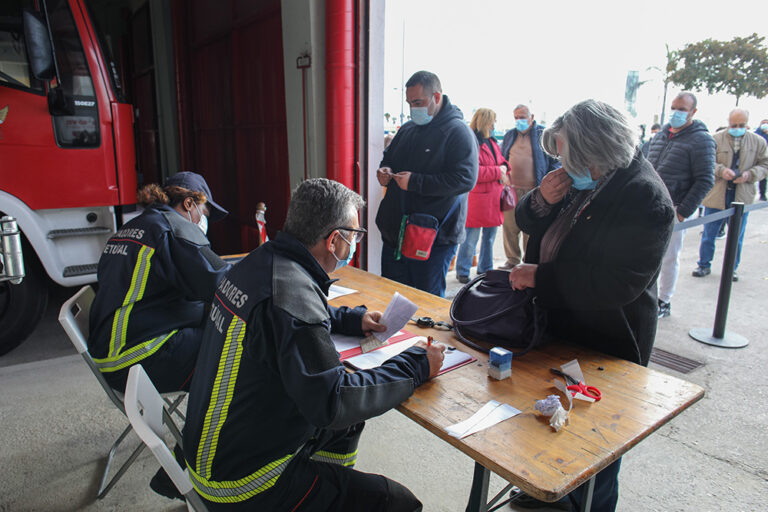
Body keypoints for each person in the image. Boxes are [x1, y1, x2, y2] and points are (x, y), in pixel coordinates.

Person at [183, 178, 446, 511]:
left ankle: (326, 488)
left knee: (347, 425)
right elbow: (334, 400)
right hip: (243, 484)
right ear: (334, 241)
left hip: (213, 451)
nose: (353, 244)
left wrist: (352, 319)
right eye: (353, 237)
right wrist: (418, 365)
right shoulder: (291, 295)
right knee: (396, 502)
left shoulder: (259, 263)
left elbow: (282, 314)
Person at [509, 99, 675, 512]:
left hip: (607, 339)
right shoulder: (582, 178)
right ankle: (542, 492)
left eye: (567, 154)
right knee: (547, 420)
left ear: (596, 153)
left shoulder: (644, 197)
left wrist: (541, 278)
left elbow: (617, 284)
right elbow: (529, 223)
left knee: (595, 445)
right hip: (560, 326)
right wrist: (541, 200)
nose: (561, 163)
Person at [88, 171, 229, 393]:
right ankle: (217, 426)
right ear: (189, 203)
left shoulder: (133, 228)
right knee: (239, 348)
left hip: (113, 355)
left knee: (216, 329)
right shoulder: (172, 228)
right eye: (204, 213)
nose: (204, 221)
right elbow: (221, 283)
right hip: (139, 359)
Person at [375, 70, 478, 297]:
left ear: (437, 97)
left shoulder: (458, 132)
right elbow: (388, 159)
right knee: (389, 300)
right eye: (410, 103)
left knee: (424, 305)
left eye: (418, 102)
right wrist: (385, 171)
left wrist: (416, 182)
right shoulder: (408, 129)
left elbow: (465, 179)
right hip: (395, 234)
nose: (413, 108)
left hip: (432, 237)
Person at [646, 92, 715, 318]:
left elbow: (705, 179)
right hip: (649, 205)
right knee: (647, 253)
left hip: (674, 208)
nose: (676, 112)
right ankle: (646, 295)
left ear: (693, 112)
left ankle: (664, 300)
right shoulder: (662, 135)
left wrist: (683, 211)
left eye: (682, 109)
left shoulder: (701, 140)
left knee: (669, 257)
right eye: (674, 107)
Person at [693, 109, 768, 281]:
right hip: (717, 193)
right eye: (733, 125)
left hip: (741, 195)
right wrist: (720, 170)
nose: (737, 128)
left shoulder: (758, 142)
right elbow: (706, 162)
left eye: (741, 125)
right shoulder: (716, 139)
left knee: (737, 236)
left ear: (747, 124)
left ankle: (731, 269)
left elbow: (765, 165)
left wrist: (750, 174)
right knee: (708, 233)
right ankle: (703, 264)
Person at [498, 105, 560, 269]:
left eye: (523, 117)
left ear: (531, 117)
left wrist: (548, 180)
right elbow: (502, 158)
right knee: (510, 227)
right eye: (516, 117)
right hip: (511, 189)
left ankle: (528, 261)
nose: (520, 120)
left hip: (534, 190)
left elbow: (555, 160)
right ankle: (512, 259)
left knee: (530, 227)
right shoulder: (510, 135)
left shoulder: (542, 134)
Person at [455, 108, 508, 283]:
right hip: (479, 199)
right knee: (470, 238)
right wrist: (498, 171)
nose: (494, 125)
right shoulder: (472, 142)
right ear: (486, 122)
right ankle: (463, 271)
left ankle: (485, 269)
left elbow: (500, 161)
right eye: (493, 121)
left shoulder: (492, 142)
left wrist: (505, 167)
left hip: (493, 198)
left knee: (490, 238)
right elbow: (473, 172)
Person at [755, 118, 768, 201]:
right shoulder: (757, 133)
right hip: (758, 157)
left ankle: (763, 194)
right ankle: (761, 194)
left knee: (764, 177)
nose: (765, 125)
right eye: (763, 123)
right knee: (761, 176)